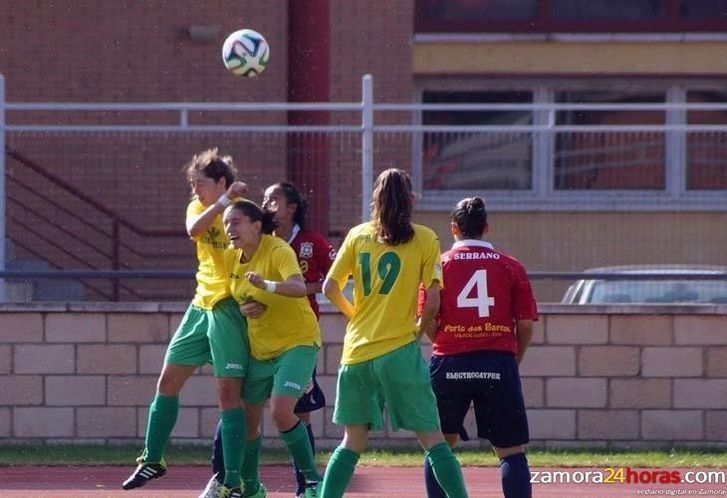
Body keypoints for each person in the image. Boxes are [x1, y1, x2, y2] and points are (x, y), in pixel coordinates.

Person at [320, 168, 469, 498]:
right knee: (432, 438)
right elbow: (432, 300)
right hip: (399, 351)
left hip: (357, 352)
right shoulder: (425, 237)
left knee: (352, 442)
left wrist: (355, 315)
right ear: (410, 199)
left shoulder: (358, 235)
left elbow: (330, 287)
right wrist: (417, 330)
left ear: (375, 200)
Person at [121, 148, 250, 498]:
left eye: (200, 184)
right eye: (192, 184)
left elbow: (264, 250)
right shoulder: (204, 207)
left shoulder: (242, 214)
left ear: (221, 180)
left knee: (228, 395)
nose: (195, 191)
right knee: (167, 379)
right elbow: (195, 228)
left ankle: (234, 481)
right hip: (200, 306)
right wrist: (222, 200)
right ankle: (153, 458)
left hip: (229, 310)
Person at [200, 182, 335, 498]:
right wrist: (249, 306)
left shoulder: (278, 249)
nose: (228, 228)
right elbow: (239, 299)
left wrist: (267, 287)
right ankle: (250, 486)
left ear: (257, 225)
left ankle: (313, 482)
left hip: (297, 342)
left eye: (235, 222)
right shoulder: (233, 258)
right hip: (262, 350)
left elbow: (298, 287)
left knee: (281, 410)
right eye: (226, 223)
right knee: (247, 421)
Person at [420, 196, 537, 498]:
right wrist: (513, 359)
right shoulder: (511, 266)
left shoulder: (439, 266)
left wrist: (446, 340)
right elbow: (525, 324)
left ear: (453, 228)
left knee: (439, 447)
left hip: (449, 363)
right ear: (486, 227)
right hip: (497, 362)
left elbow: (427, 317)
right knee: (511, 452)